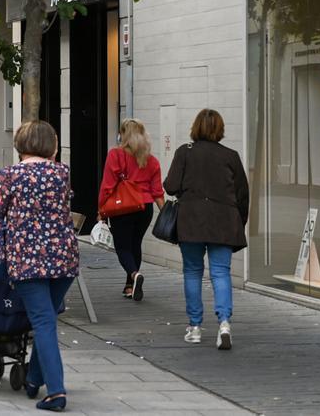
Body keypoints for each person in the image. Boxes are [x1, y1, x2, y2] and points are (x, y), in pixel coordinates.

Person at [0, 120, 78, 412]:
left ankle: (56, 392)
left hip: (28, 260)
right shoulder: (62, 173)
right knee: (47, 319)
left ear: (20, 144)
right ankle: (33, 379)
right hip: (64, 259)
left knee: (43, 322)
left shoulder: (10, 175)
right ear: (51, 146)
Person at [164, 108, 249, 351]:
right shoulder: (231, 156)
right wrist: (238, 222)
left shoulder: (185, 152)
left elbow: (170, 186)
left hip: (191, 221)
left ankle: (195, 327)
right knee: (221, 273)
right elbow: (243, 194)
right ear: (220, 130)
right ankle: (224, 323)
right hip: (223, 221)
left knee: (192, 272)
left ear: (195, 128)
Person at [98, 119, 165, 301]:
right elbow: (157, 192)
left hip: (123, 207)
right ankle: (129, 286)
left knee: (122, 247)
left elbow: (107, 186)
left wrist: (101, 210)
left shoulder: (116, 155)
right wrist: (165, 214)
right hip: (145, 208)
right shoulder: (151, 160)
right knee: (135, 244)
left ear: (123, 134)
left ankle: (135, 275)